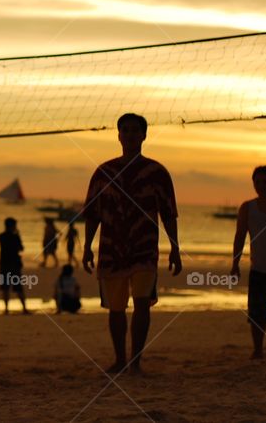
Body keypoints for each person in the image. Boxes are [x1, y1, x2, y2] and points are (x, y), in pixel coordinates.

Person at [82, 112, 181, 374]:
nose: (129, 134)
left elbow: (169, 213)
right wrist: (86, 247)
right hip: (111, 249)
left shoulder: (157, 172)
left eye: (134, 130)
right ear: (118, 135)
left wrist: (175, 248)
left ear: (144, 135)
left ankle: (135, 361)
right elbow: (92, 215)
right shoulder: (104, 172)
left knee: (141, 302)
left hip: (144, 248)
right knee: (115, 309)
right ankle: (120, 359)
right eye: (124, 130)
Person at [230, 165, 266, 359]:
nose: (262, 186)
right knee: (257, 314)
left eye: (265, 182)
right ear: (253, 184)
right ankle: (258, 350)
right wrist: (235, 264)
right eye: (258, 182)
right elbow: (240, 236)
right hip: (259, 270)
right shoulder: (248, 208)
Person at [0, 218, 30, 314]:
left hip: (4, 264)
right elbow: (21, 248)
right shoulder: (15, 237)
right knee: (18, 287)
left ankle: (6, 309)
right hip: (14, 264)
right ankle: (24, 308)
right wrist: (18, 235)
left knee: (5, 287)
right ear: (12, 226)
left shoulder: (1, 236)